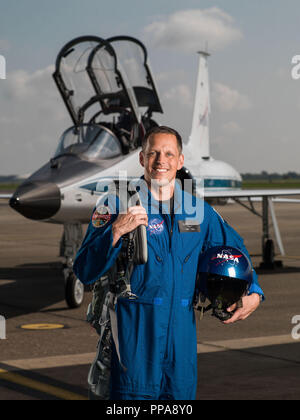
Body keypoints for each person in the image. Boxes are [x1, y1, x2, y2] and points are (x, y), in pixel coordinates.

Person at [73, 125, 264, 400]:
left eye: (169, 154)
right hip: (134, 344)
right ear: (142, 159)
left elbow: (235, 250)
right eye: (153, 153)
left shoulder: (198, 211)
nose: (161, 161)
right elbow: (84, 269)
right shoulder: (115, 203)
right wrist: (115, 231)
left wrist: (254, 292)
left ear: (180, 161)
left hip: (181, 349)